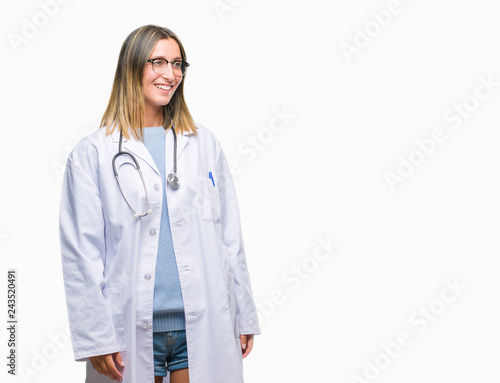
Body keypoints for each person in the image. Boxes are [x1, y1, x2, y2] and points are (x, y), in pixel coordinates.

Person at [59, 25, 261, 383]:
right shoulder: (92, 154)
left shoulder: (202, 143)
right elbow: (81, 255)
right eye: (159, 62)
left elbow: (229, 236)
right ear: (132, 67)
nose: (171, 74)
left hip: (203, 322)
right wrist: (95, 336)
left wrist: (244, 313)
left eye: (178, 63)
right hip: (130, 327)